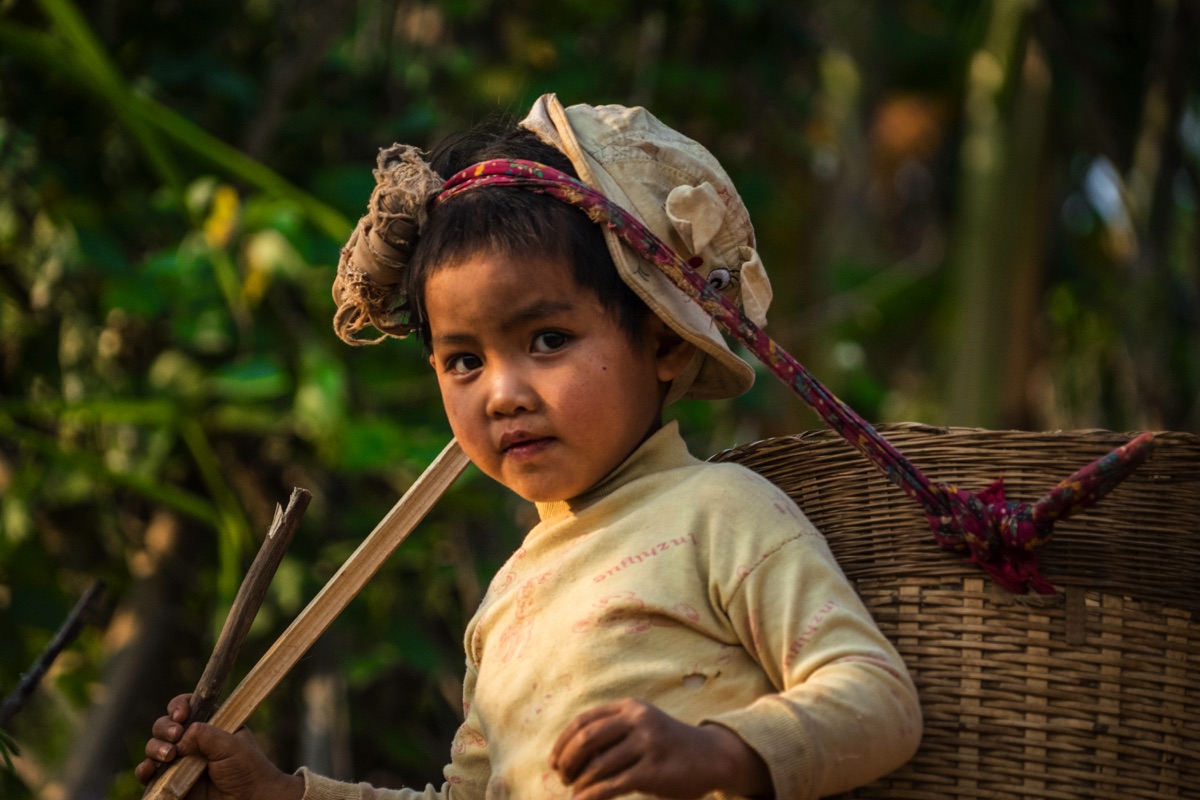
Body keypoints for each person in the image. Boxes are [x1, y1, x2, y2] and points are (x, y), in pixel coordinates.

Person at [136, 94, 922, 800]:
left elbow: (879, 699)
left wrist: (718, 752)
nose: (502, 393)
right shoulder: (507, 602)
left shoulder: (720, 514)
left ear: (664, 343)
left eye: (548, 340)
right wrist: (280, 794)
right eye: (464, 361)